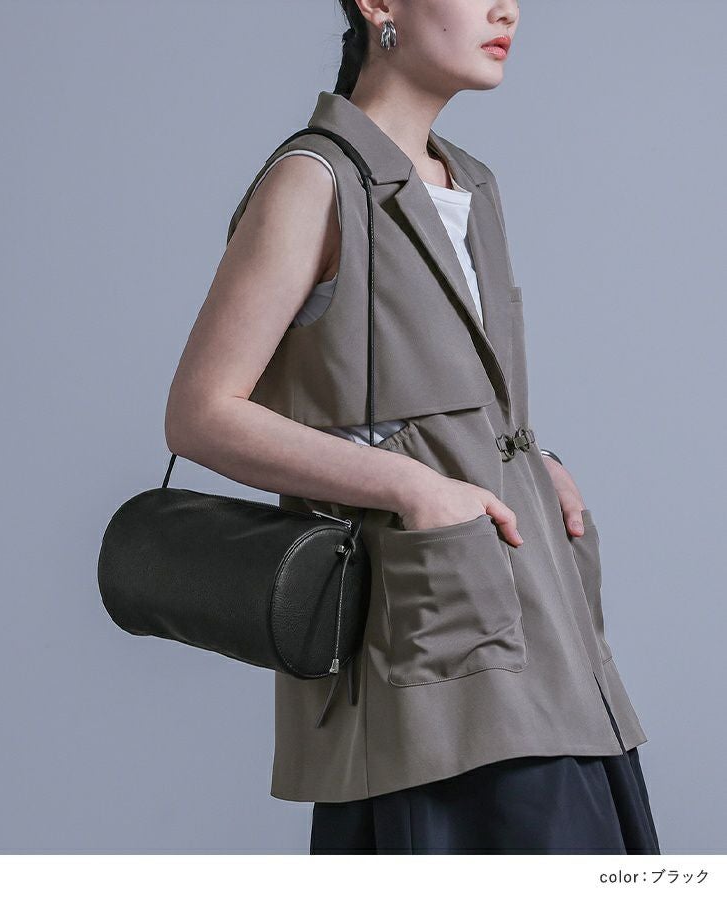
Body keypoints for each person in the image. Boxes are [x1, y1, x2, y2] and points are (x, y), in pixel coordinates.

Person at [164, 0, 661, 854]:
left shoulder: (471, 183)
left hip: (545, 629)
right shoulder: (314, 179)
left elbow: (448, 393)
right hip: (427, 652)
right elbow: (201, 413)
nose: (507, 9)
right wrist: (413, 487)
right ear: (379, 4)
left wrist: (535, 459)